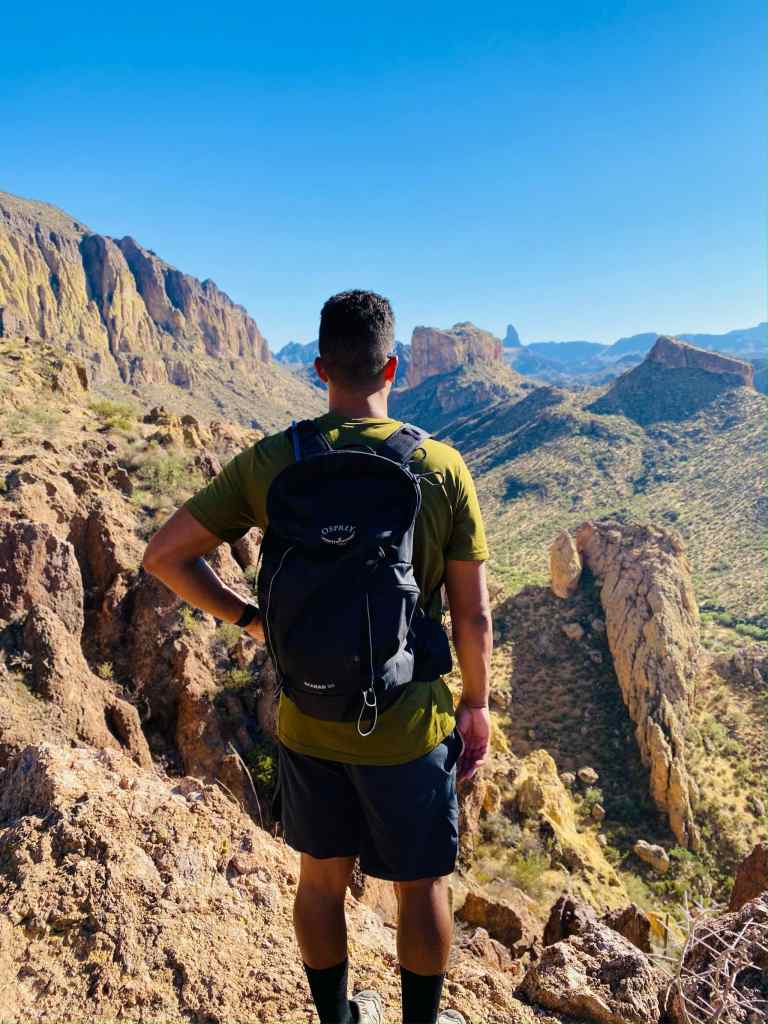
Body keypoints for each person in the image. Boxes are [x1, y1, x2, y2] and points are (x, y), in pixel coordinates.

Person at [142, 290, 492, 1024]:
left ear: (317, 368)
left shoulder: (275, 460)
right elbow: (474, 614)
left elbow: (165, 556)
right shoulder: (442, 467)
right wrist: (477, 704)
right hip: (408, 722)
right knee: (421, 883)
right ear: (394, 365)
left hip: (308, 714)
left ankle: (335, 1019)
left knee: (320, 882)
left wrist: (249, 619)